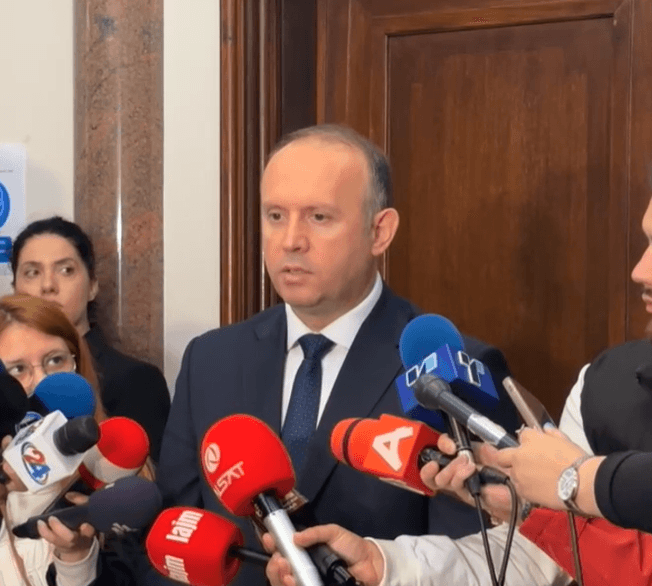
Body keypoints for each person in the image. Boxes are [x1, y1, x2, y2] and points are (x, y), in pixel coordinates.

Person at [156, 124, 521, 586]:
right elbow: (179, 541)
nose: (290, 240)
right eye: (275, 216)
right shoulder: (210, 360)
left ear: (379, 231)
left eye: (319, 217)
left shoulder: (449, 370)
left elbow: (473, 561)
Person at [264, 195, 652, 586]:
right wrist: (387, 566)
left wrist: (575, 480)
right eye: (646, 242)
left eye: (320, 216)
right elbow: (545, 559)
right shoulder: (603, 386)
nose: (640, 271)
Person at [0, 293, 138, 586]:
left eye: (55, 361)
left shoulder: (118, 466)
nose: (41, 381)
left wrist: (77, 560)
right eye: (18, 369)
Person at [11, 217, 170, 462]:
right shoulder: (6, 381)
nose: (48, 285)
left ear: (93, 285)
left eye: (65, 270)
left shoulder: (136, 380)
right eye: (32, 273)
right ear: (14, 288)